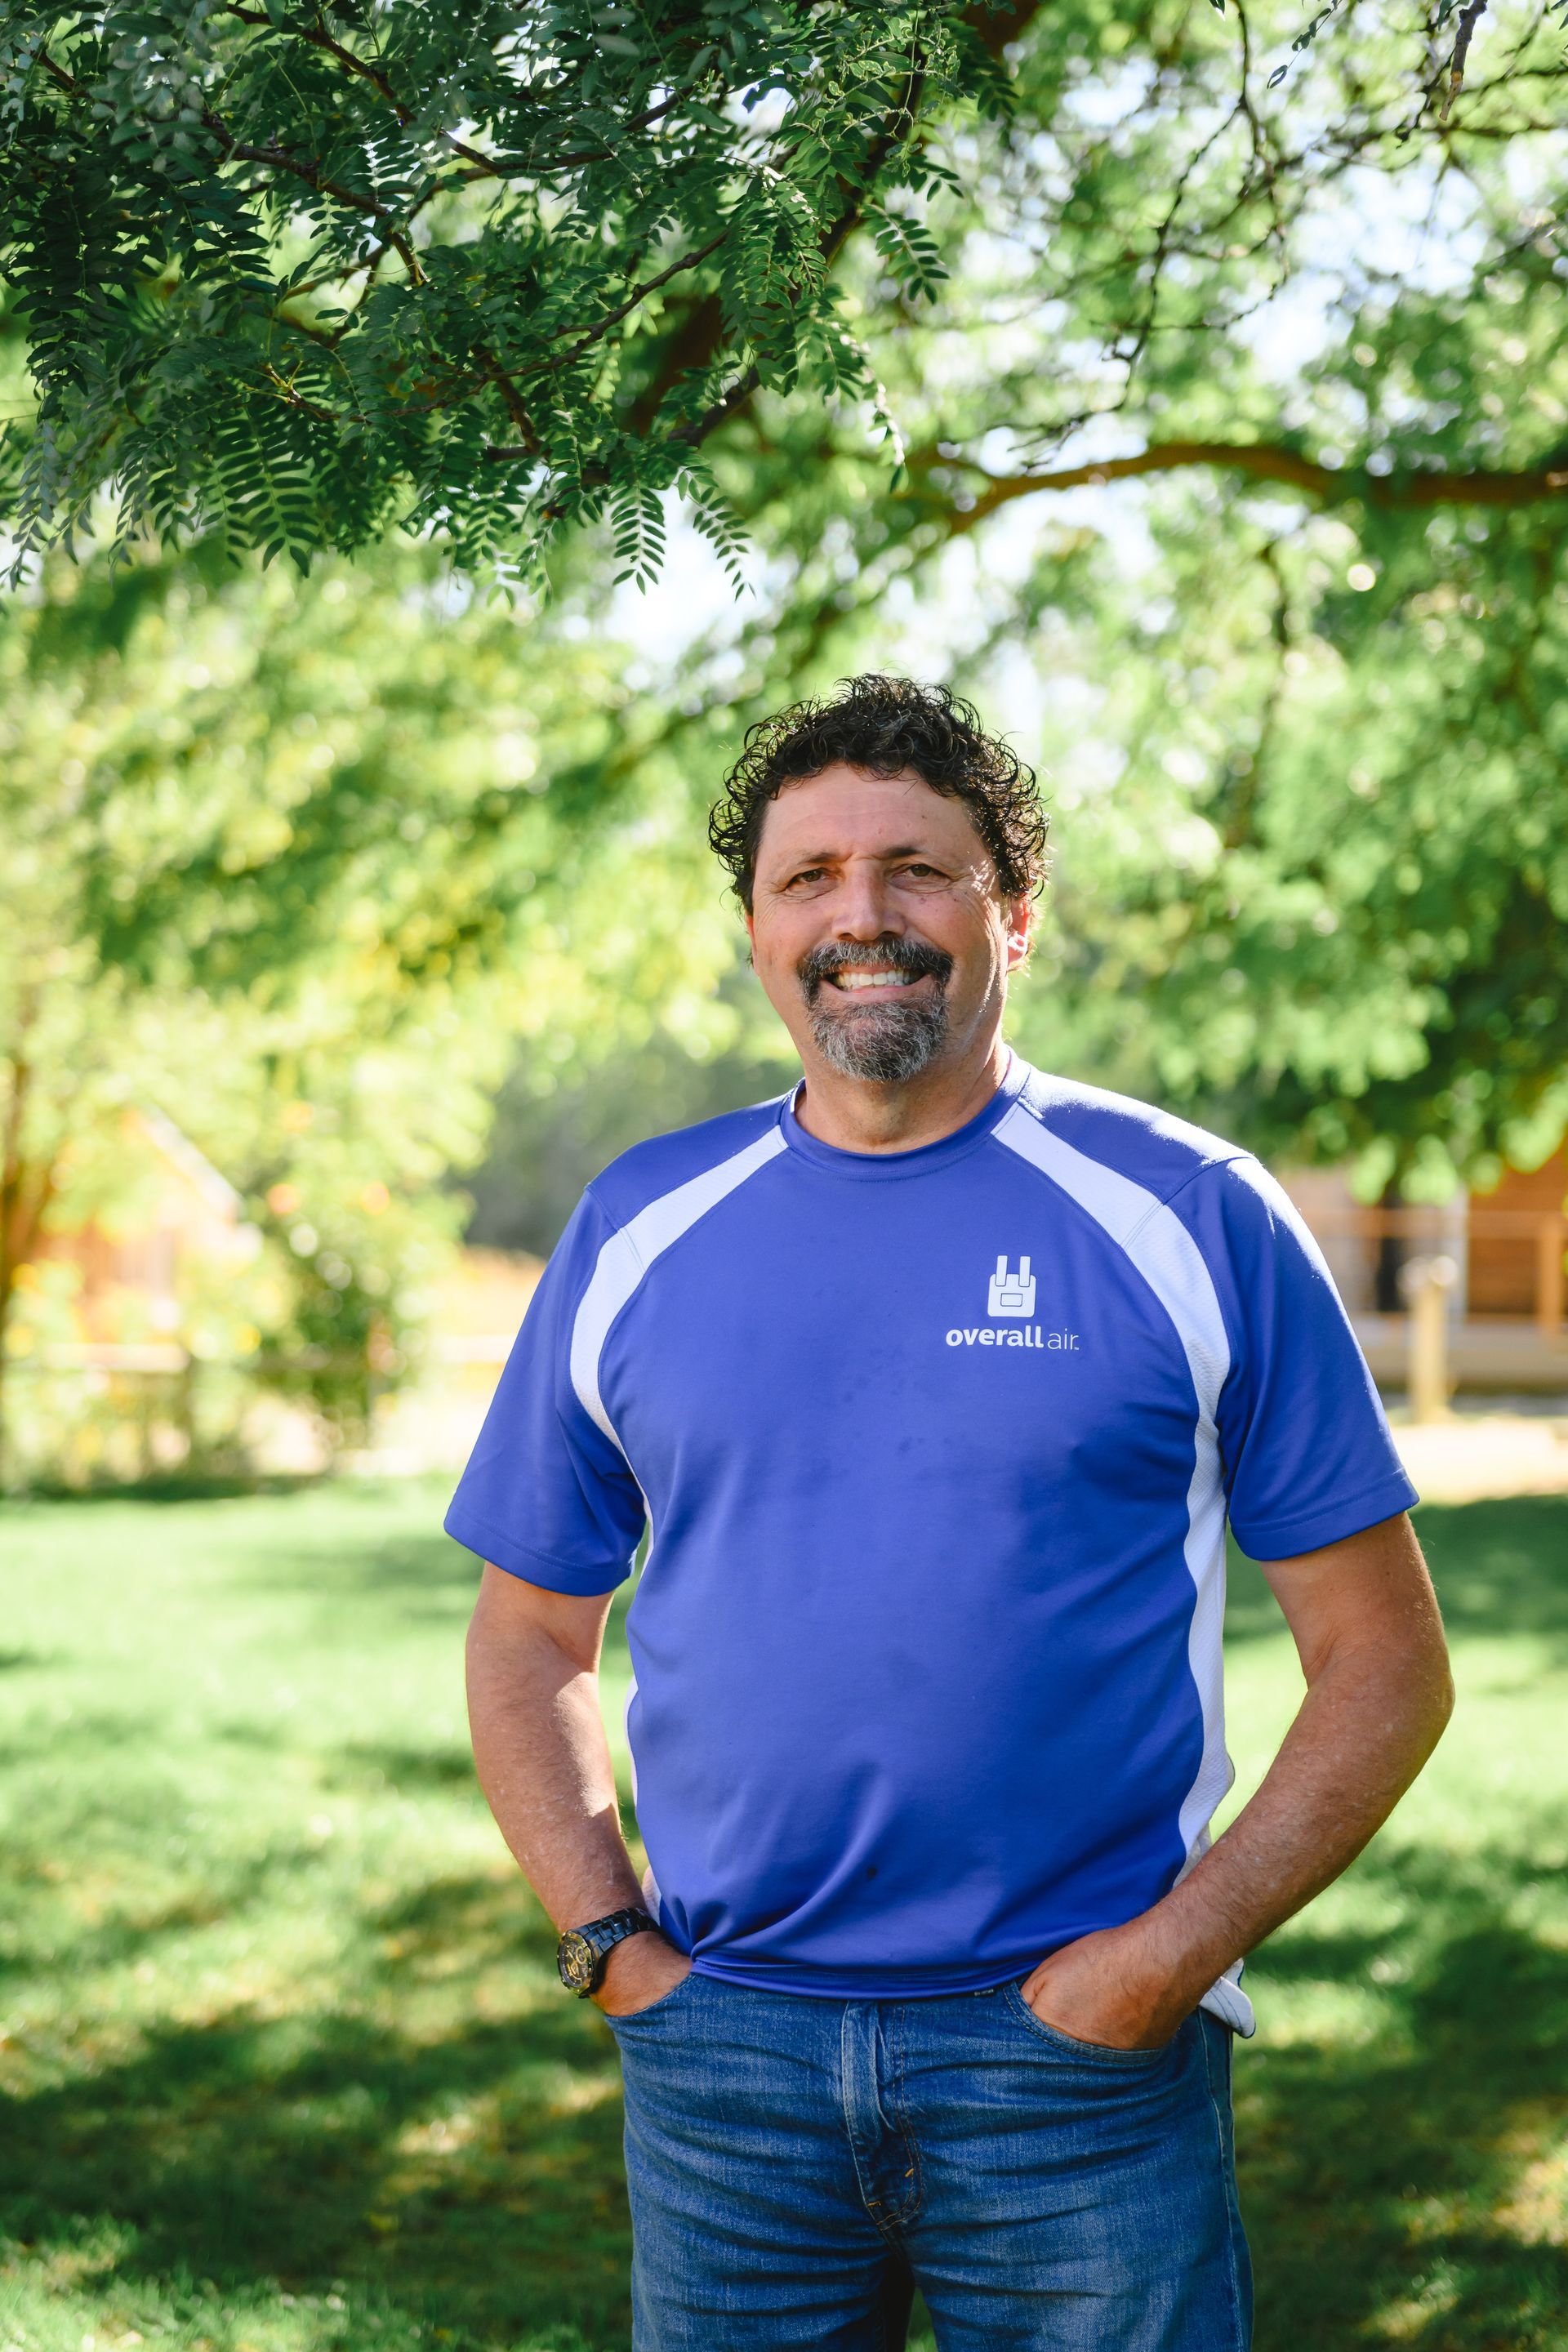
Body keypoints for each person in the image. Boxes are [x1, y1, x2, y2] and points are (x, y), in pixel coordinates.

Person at [448, 675, 1453, 2350]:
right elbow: (528, 1632)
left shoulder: (1191, 1213)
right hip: (725, 2064)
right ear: (759, 934)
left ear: (1016, 914)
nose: (863, 917)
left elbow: (1387, 1663)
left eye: (916, 870)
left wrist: (1168, 1961)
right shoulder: (639, 1223)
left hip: (1076, 2063)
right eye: (810, 878)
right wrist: (610, 1945)